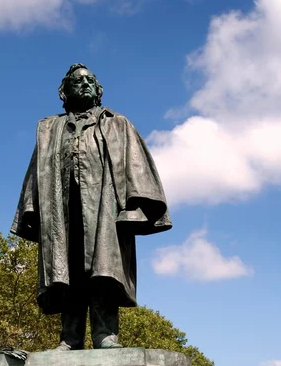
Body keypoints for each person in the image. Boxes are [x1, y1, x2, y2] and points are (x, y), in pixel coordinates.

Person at [11, 63, 172, 350]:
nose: (84, 84)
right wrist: (31, 209)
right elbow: (38, 171)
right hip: (62, 211)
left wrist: (134, 206)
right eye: (76, 81)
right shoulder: (50, 129)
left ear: (98, 90)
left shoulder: (117, 123)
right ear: (64, 91)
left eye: (89, 81)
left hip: (104, 208)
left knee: (102, 270)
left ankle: (105, 335)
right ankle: (70, 338)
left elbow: (136, 166)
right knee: (67, 270)